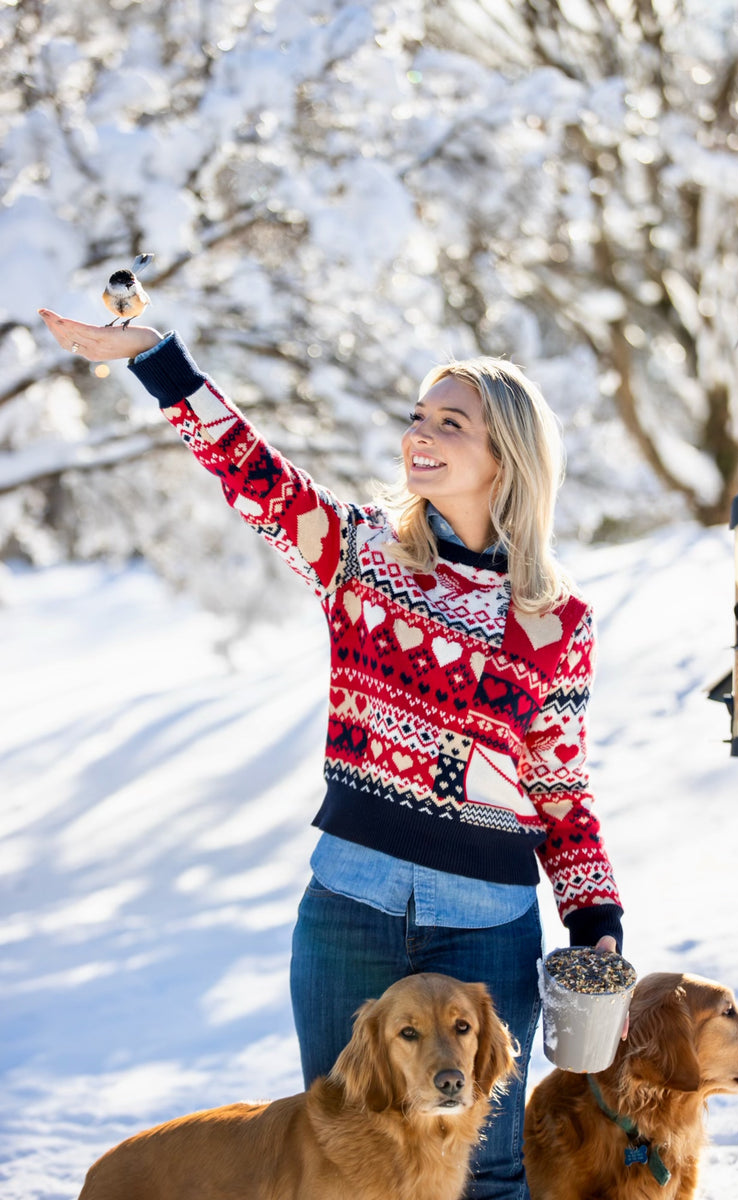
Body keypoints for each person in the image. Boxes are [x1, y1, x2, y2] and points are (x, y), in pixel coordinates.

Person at [39, 309, 625, 1200]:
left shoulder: (556, 622)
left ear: (505, 455)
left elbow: (560, 791)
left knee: (492, 1174)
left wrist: (593, 918)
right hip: (350, 905)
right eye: (418, 416)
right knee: (346, 1153)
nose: (417, 436)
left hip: (486, 928)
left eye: (448, 423)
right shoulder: (363, 559)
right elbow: (253, 475)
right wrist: (159, 363)